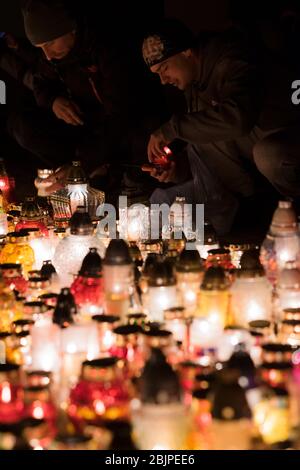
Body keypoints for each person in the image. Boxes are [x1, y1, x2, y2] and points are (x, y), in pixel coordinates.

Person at [141, 19, 300, 235]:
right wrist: (177, 170)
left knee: (268, 155)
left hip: (289, 135)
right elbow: (206, 146)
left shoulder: (232, 58)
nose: (163, 80)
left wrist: (172, 129)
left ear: (186, 52)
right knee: (205, 129)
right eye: (156, 74)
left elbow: (238, 119)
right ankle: (247, 213)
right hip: (260, 150)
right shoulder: (195, 82)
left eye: (164, 68)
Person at [9, 0, 166, 193]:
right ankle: (79, 173)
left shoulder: (107, 48)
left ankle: (123, 181)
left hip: (121, 126)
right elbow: (40, 82)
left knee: (144, 127)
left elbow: (122, 115)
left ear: (71, 29)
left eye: (49, 43)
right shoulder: (55, 57)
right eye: (41, 47)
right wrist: (53, 101)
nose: (47, 55)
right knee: (24, 126)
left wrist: (84, 162)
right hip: (84, 123)